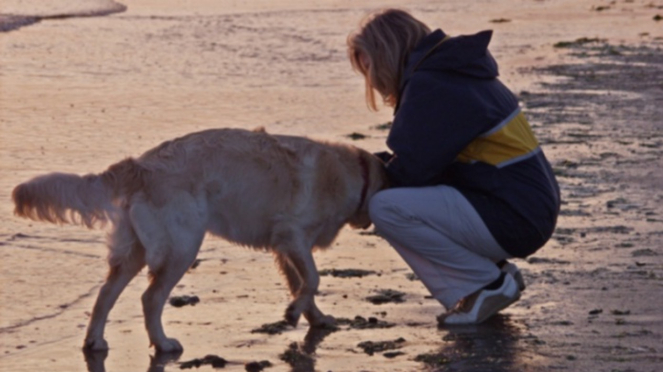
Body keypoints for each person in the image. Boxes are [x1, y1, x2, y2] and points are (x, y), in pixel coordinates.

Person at [347, 9, 560, 325]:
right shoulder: (452, 71)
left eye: (368, 67)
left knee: (387, 208)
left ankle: (483, 285)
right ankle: (496, 274)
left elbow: (412, 173)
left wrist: (354, 194)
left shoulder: (433, 84)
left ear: (386, 54)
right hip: (527, 207)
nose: (373, 81)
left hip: (516, 216)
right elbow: (430, 162)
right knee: (399, 201)